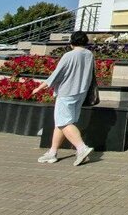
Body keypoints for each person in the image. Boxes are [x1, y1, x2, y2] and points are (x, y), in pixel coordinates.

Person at [32, 31, 96, 166]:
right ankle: (52, 152)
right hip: (81, 92)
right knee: (62, 123)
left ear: (72, 42)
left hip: (67, 91)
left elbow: (56, 74)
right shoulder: (89, 54)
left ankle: (81, 148)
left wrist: (40, 87)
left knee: (64, 123)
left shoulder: (69, 55)